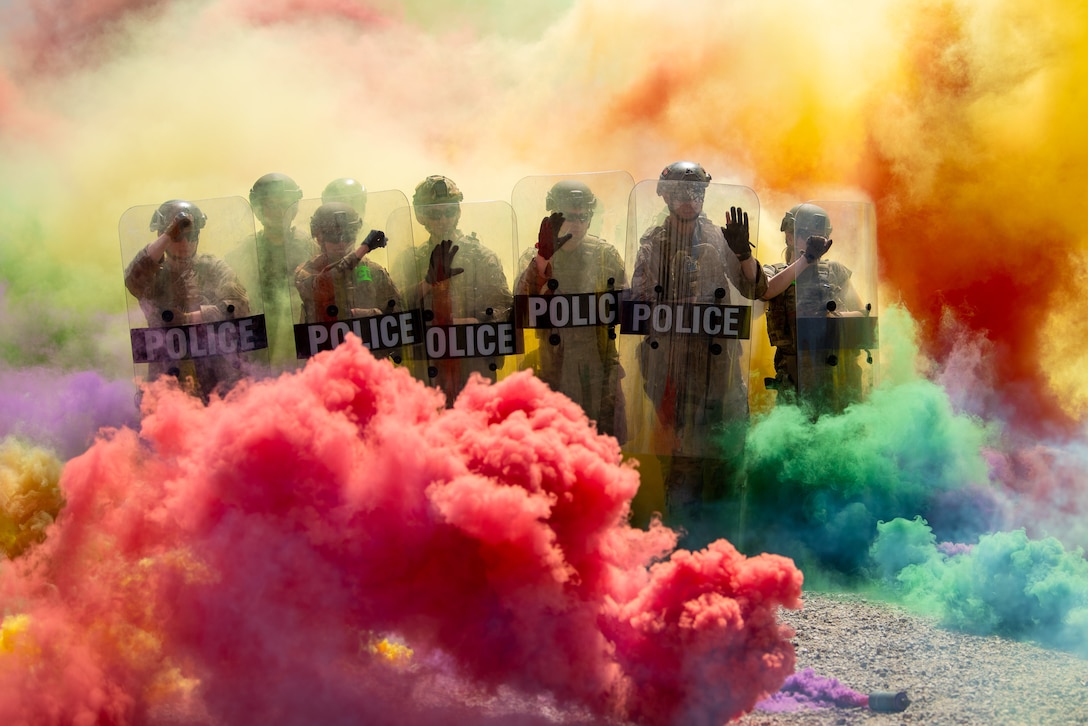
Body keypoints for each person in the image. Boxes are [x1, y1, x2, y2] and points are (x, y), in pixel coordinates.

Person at [627, 161, 768, 536]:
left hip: (719, 373)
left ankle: (723, 555)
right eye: (681, 193)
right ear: (666, 196)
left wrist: (743, 256)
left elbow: (754, 289)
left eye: (697, 193)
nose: (690, 200)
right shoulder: (653, 242)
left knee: (728, 455)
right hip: (674, 371)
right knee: (682, 467)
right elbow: (639, 304)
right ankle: (685, 559)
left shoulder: (718, 237)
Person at [514, 180, 627, 441]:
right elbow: (520, 308)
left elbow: (628, 307)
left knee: (604, 456)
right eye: (567, 216)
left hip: (600, 370)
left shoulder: (605, 254)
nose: (576, 223)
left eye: (582, 216)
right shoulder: (536, 257)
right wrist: (543, 260)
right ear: (552, 217)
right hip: (553, 367)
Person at [401, 174, 512, 404]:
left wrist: (473, 324)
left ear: (459, 212)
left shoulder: (481, 257)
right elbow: (396, 309)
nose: (443, 220)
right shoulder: (412, 260)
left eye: (449, 212)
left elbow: (505, 309)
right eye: (434, 214)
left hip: (473, 362)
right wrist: (426, 284)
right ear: (421, 216)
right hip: (427, 366)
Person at [124, 199, 250, 400]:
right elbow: (133, 279)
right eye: (178, 238)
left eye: (191, 236)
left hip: (215, 380)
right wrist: (167, 235)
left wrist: (188, 318)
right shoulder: (155, 277)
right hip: (167, 382)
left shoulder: (213, 268)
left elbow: (240, 305)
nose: (185, 244)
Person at [761, 203, 865, 413]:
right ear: (789, 237)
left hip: (836, 372)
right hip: (795, 375)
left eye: (820, 238)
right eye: (807, 237)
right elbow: (767, 290)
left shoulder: (835, 270)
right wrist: (805, 260)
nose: (814, 244)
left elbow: (862, 314)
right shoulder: (774, 271)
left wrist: (835, 317)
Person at [227, 172, 317, 372]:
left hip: (303, 346)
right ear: (259, 209)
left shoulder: (312, 249)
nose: (278, 211)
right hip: (260, 348)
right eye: (271, 204)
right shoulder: (243, 253)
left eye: (283, 204)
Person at [294, 202, 402, 323]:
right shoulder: (307, 271)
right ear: (319, 238)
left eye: (348, 235)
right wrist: (362, 250)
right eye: (333, 236)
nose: (342, 243)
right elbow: (322, 285)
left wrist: (374, 316)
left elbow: (398, 315)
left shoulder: (373, 271)